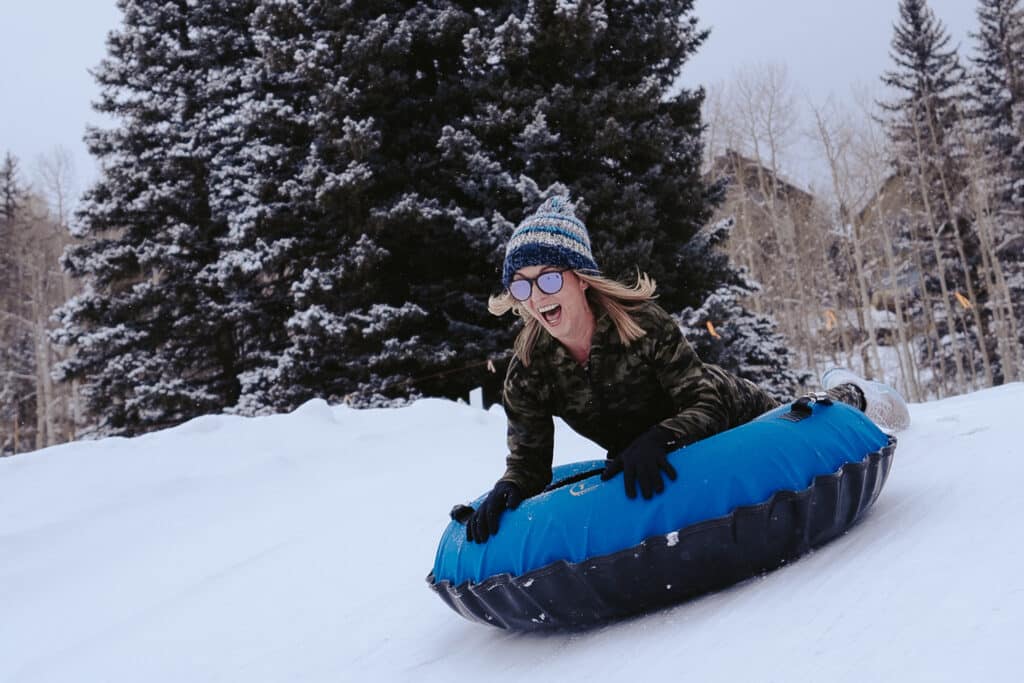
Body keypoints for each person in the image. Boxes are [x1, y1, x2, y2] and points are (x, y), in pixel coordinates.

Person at [465, 195, 908, 543]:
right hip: (661, 451)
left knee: (812, 418)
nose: (536, 296)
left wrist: (660, 436)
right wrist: (510, 490)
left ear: (580, 278)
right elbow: (530, 465)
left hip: (737, 414)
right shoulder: (528, 372)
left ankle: (858, 395)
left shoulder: (639, 324)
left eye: (548, 278)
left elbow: (707, 401)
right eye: (521, 284)